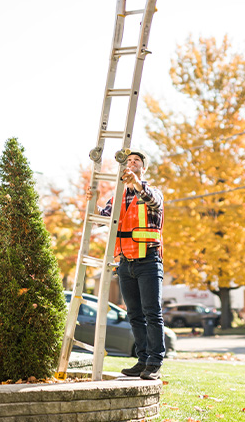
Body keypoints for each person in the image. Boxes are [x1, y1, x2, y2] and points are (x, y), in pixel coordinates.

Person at [98, 150, 165, 380]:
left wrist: (137, 184)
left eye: (136, 161)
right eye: (129, 161)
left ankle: (155, 362)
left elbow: (153, 201)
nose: (132, 163)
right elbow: (102, 218)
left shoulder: (153, 193)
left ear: (143, 168)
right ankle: (142, 360)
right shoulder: (117, 197)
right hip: (125, 264)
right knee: (134, 315)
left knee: (152, 313)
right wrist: (90, 203)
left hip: (148, 261)